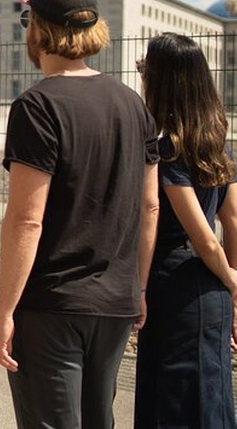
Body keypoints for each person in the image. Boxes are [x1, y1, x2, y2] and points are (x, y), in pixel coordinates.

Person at [0, 0, 160, 428]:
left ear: (38, 30)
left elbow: (27, 221)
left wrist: (4, 311)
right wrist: (138, 287)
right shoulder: (133, 104)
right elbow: (149, 207)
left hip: (52, 303)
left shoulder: (38, 105)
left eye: (28, 20)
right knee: (97, 419)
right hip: (116, 300)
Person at [135, 32, 237, 428]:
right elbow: (230, 220)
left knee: (172, 402)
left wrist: (231, 279)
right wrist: (228, 281)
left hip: (174, 288)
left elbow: (200, 234)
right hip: (209, 292)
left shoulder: (167, 152)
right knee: (211, 398)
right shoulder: (219, 147)